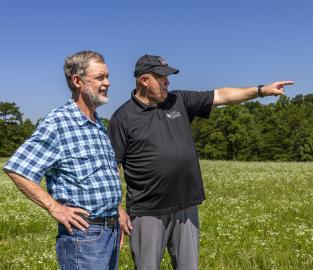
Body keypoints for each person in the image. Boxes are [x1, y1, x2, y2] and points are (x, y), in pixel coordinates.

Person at [108, 54, 294, 270]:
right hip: (147, 211)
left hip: (186, 205)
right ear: (144, 80)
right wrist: (118, 209)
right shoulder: (122, 117)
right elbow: (112, 167)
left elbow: (221, 95)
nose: (167, 82)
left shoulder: (178, 101)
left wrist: (261, 90)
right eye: (162, 78)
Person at [3, 50, 122, 270]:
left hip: (111, 231)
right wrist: (54, 207)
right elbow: (17, 169)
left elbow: (104, 175)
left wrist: (118, 213)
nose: (108, 83)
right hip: (84, 236)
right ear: (77, 81)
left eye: (107, 76)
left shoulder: (97, 122)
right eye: (100, 78)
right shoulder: (58, 122)